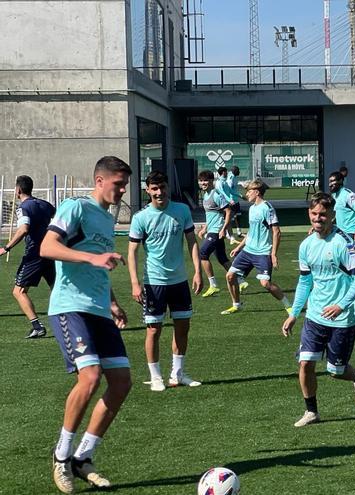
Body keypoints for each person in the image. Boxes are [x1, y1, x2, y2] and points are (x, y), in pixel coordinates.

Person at [42, 156, 132, 493]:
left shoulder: (108, 221)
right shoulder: (75, 207)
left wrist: (112, 302)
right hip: (70, 308)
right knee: (91, 376)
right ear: (99, 180)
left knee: (121, 383)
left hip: (99, 311)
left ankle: (83, 457)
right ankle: (62, 456)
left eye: (125, 185)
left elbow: (100, 266)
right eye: (118, 184)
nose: (122, 191)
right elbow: (47, 246)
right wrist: (92, 257)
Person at [282, 192, 355, 427]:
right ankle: (311, 412)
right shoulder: (306, 245)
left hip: (343, 319)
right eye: (314, 214)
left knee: (336, 371)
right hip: (315, 316)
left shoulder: (344, 244)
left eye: (323, 214)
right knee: (305, 363)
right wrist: (293, 313)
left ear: (332, 216)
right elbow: (305, 281)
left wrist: (341, 305)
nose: (318, 218)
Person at [127, 171, 203, 392]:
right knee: (153, 329)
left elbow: (191, 242)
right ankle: (156, 376)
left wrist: (197, 272)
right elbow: (132, 251)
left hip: (179, 281)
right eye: (154, 188)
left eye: (162, 187)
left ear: (168, 187)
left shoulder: (181, 210)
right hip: (154, 282)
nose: (159, 192)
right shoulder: (140, 217)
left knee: (183, 326)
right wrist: (134, 283)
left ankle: (177, 374)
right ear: (147, 190)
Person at [0, 175, 56, 338]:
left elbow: (24, 228)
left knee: (19, 291)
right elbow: (58, 219)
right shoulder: (45, 205)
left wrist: (6, 247)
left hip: (34, 255)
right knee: (58, 288)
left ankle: (37, 326)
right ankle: (78, 318)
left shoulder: (24, 207)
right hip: (49, 251)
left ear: (18, 190)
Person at [223, 179, 289, 315]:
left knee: (265, 284)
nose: (246, 194)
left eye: (249, 191)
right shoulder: (252, 208)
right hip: (248, 251)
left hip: (263, 252)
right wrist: (239, 247)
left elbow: (276, 231)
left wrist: (273, 254)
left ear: (257, 192)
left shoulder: (267, 208)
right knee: (230, 276)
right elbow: (251, 232)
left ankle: (289, 306)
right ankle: (236, 305)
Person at [196, 170, 248, 298]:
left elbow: (228, 212)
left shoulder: (216, 194)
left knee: (202, 254)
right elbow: (212, 215)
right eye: (201, 181)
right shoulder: (206, 195)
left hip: (217, 231)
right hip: (212, 229)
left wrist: (223, 229)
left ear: (211, 181)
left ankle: (213, 285)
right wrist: (205, 228)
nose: (203, 183)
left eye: (206, 180)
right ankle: (241, 281)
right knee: (222, 258)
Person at [328, 171, 355, 243]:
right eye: (329, 181)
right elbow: (336, 215)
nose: (330, 184)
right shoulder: (334, 195)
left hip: (351, 233)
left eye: (333, 181)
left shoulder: (348, 195)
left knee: (350, 254)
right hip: (340, 232)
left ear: (340, 181)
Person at [214, 167, 239, 245]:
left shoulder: (224, 182)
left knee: (228, 219)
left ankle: (229, 236)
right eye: (226, 171)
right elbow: (222, 193)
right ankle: (228, 235)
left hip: (226, 204)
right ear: (223, 172)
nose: (227, 173)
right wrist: (230, 200)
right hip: (221, 204)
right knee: (224, 219)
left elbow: (230, 191)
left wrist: (240, 195)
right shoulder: (219, 182)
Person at [227, 165, 244, 238]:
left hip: (236, 201)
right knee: (229, 217)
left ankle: (239, 231)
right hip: (231, 201)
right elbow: (229, 189)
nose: (239, 172)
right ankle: (228, 233)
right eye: (238, 170)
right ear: (234, 171)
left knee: (238, 216)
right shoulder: (231, 178)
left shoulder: (234, 177)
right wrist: (240, 195)